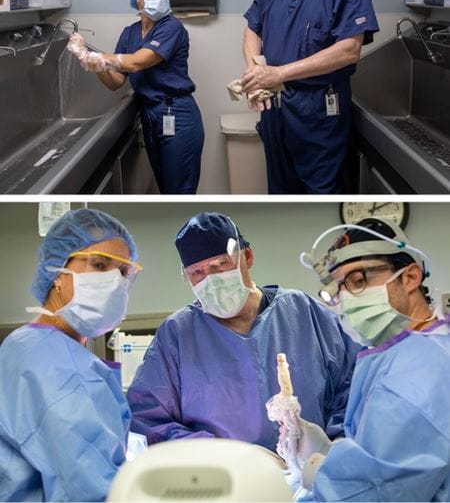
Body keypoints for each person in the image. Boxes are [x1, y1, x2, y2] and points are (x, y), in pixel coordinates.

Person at [127, 212, 360, 453]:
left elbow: (354, 388)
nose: (212, 279)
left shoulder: (304, 312)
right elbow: (147, 418)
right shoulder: (177, 334)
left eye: (221, 264)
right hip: (224, 481)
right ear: (186, 276)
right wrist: (226, 457)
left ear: (247, 256)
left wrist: (327, 450)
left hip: (311, 476)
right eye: (198, 272)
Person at [294, 218, 450, 502]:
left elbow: (374, 492)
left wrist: (314, 476)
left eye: (358, 280)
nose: (344, 300)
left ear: (410, 277)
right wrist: (331, 453)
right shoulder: (417, 349)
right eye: (337, 289)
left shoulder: (417, 374)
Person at [0, 208, 143, 502]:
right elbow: (91, 490)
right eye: (100, 265)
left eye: (123, 272)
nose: (115, 282)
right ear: (57, 273)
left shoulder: (24, 346)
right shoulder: (54, 364)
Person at [241, 0, 379, 194]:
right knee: (280, 194)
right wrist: (256, 73)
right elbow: (253, 28)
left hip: (318, 110)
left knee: (320, 194)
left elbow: (348, 49)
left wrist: (279, 73)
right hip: (275, 108)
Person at [67, 0, 204, 194]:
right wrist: (93, 63)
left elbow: (137, 62)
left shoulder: (171, 27)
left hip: (177, 114)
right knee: (165, 189)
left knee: (180, 192)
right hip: (150, 116)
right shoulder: (129, 33)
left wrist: (98, 56)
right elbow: (116, 81)